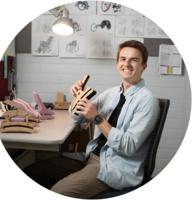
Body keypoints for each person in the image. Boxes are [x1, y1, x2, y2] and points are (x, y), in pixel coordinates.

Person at [23, 40, 160, 199]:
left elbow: (128, 146)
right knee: (29, 173)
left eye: (134, 60)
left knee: (58, 192)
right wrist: (77, 99)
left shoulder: (148, 101)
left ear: (144, 66)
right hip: (89, 156)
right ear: (117, 64)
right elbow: (79, 119)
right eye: (123, 59)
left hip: (114, 166)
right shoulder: (111, 93)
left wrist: (97, 118)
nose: (127, 64)